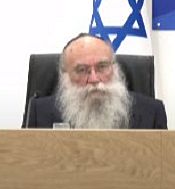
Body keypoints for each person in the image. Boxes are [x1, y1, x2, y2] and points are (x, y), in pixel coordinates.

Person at [25, 34, 167, 129]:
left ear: (115, 69)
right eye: (82, 70)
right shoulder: (39, 113)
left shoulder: (152, 113)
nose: (94, 79)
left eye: (102, 67)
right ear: (65, 76)